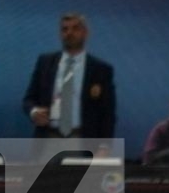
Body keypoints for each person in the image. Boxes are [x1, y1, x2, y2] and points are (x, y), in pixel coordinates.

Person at [23, 13, 117, 141]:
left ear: (86, 33)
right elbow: (29, 99)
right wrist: (33, 112)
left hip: (82, 138)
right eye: (64, 29)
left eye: (75, 28)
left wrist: (104, 146)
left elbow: (108, 113)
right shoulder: (44, 63)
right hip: (47, 137)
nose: (69, 33)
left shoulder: (101, 69)